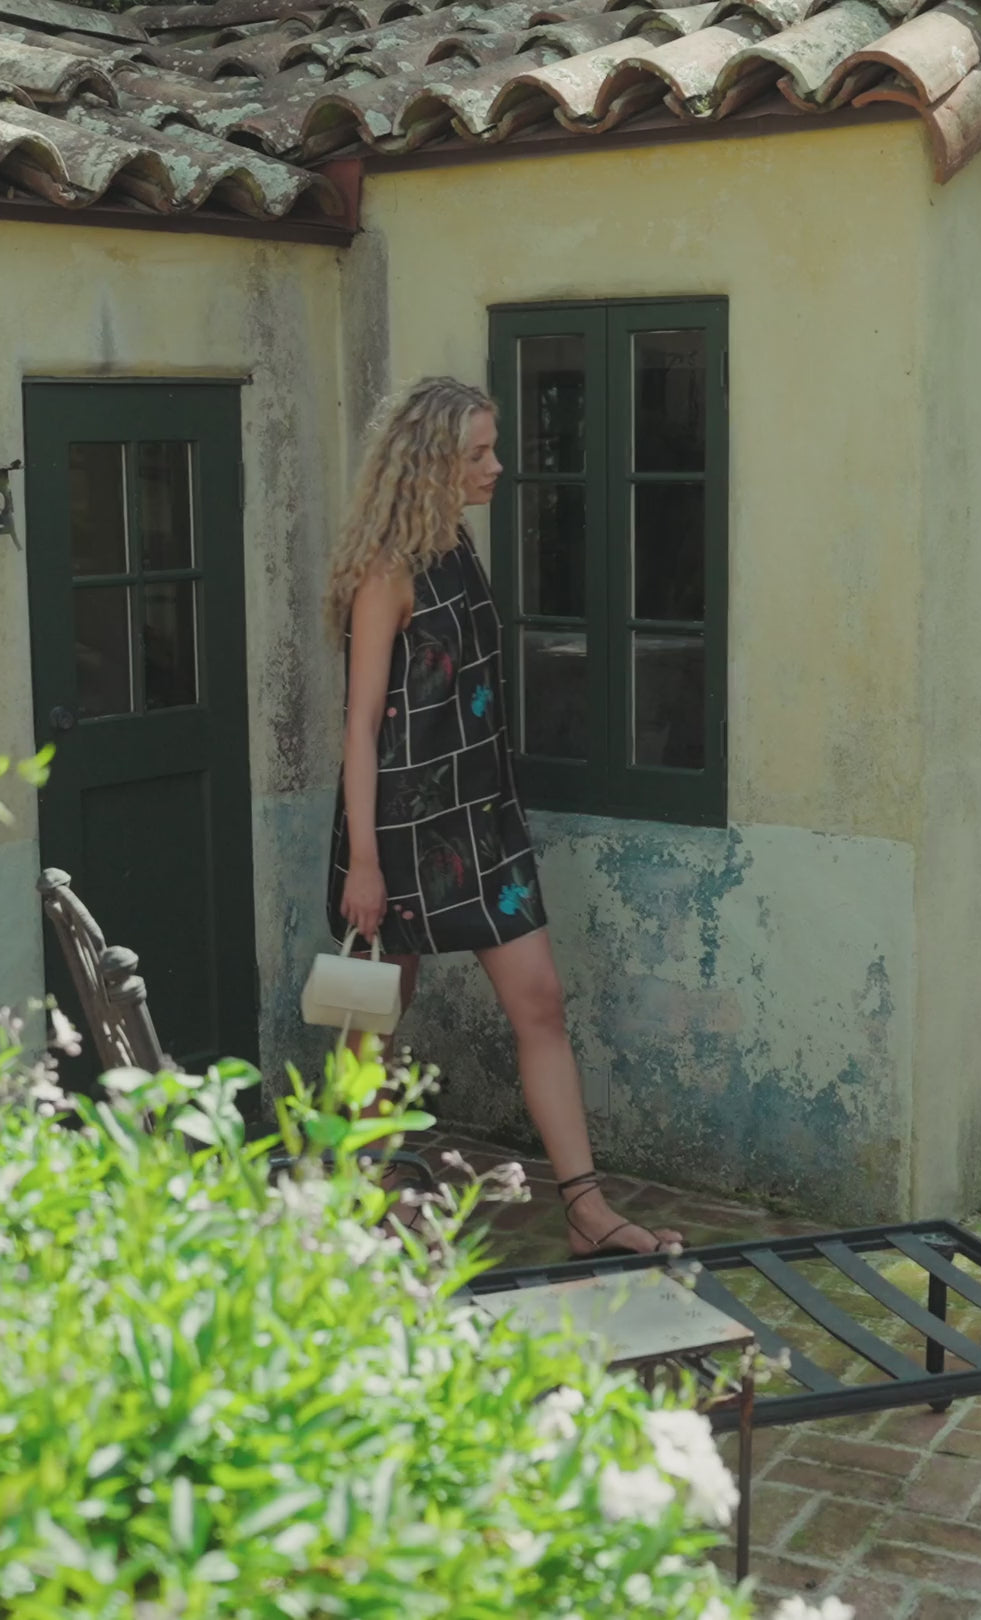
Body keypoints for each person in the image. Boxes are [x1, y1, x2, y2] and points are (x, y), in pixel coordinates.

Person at [325, 377, 681, 1258]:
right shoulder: (387, 572)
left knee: (541, 1002)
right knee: (377, 1012)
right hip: (402, 826)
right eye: (478, 453)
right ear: (429, 463)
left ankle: (587, 1212)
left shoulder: (457, 545)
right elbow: (361, 725)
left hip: (483, 817)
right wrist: (363, 860)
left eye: (492, 448)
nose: (497, 466)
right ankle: (366, 1194)